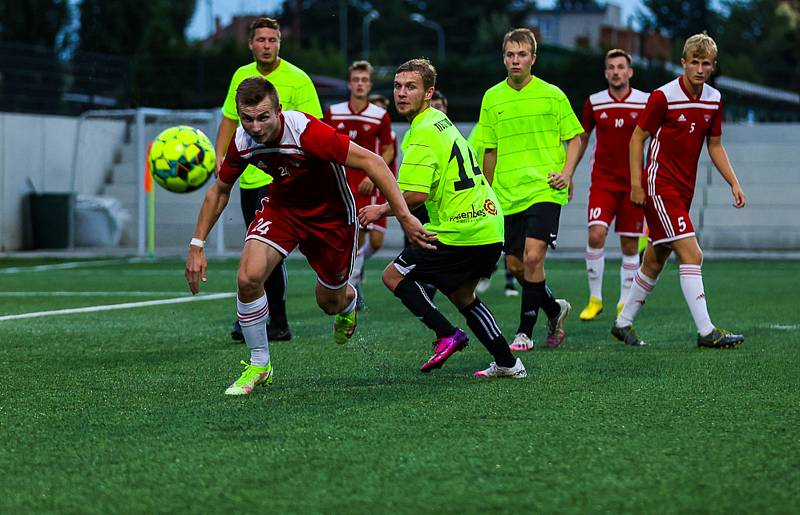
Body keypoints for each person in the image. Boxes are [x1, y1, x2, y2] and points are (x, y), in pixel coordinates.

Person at [186, 77, 431, 395]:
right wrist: (197, 244)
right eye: (247, 119)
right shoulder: (243, 140)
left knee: (328, 302)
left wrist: (405, 218)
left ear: (279, 110)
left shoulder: (306, 131)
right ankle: (260, 364)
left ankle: (348, 301)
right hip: (283, 210)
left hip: (332, 219)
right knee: (248, 277)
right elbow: (220, 190)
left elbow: (373, 162)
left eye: (263, 117)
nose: (256, 127)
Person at [360, 59, 526, 379]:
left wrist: (380, 209)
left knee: (393, 276)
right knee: (463, 295)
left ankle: (446, 333)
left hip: (460, 230)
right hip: (489, 225)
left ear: (428, 92)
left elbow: (415, 195)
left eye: (411, 87)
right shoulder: (439, 120)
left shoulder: (421, 132)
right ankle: (508, 363)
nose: (401, 93)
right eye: (397, 86)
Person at [611, 33, 746, 348]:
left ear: (713, 67)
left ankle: (622, 323)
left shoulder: (714, 98)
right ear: (683, 63)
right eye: (694, 62)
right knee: (692, 254)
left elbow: (715, 145)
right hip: (660, 187)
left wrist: (734, 182)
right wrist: (636, 183)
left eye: (706, 63)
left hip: (684, 190)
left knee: (655, 260)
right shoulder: (663, 96)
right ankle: (706, 331)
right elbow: (636, 138)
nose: (700, 69)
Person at [216, 17, 323, 343]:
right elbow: (229, 121)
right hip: (249, 177)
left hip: (280, 178)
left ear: (279, 42)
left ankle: (276, 319)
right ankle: (255, 315)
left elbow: (313, 125)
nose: (266, 45)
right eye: (260, 39)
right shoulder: (240, 76)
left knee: (267, 249)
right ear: (251, 44)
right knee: (254, 247)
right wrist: (221, 159)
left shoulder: (297, 79)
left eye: (272, 39)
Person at [479, 28, 584, 351]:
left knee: (534, 255)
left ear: (533, 59)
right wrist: (488, 191)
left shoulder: (553, 94)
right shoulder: (492, 97)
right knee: (515, 266)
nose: (515, 60)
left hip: (544, 189)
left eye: (521, 54)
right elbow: (490, 150)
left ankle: (525, 331)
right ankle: (554, 309)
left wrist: (566, 174)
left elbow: (575, 138)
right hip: (507, 194)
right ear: (504, 58)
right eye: (510, 54)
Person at [575, 49, 649, 321]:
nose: (616, 71)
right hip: (603, 182)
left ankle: (623, 302)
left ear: (630, 72)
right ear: (606, 73)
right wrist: (568, 172)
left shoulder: (645, 101)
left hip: (634, 185)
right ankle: (595, 299)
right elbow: (582, 139)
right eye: (611, 67)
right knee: (596, 235)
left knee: (630, 244)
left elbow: (656, 138)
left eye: (621, 67)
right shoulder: (594, 102)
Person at [323, 61, 394, 310]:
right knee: (356, 238)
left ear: (370, 84)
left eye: (364, 80)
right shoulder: (333, 113)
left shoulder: (379, 115)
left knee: (374, 241)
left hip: (367, 187)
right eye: (356, 80)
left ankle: (354, 277)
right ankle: (350, 287)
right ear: (350, 83)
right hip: (342, 187)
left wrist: (372, 175)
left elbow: (388, 149)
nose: (360, 84)